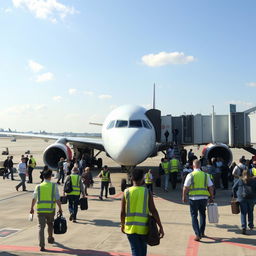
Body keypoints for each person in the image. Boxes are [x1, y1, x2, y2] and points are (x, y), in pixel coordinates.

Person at [120, 169, 164, 256]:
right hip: (144, 228)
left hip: (130, 229)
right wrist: (160, 226)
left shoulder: (126, 192)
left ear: (132, 179)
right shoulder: (147, 192)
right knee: (142, 251)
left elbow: (122, 212)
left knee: (135, 250)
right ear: (142, 179)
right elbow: (153, 211)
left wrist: (122, 225)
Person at [30, 169, 62, 251]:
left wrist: (32, 208)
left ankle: (42, 245)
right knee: (50, 224)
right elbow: (57, 198)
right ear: (50, 177)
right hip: (51, 210)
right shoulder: (54, 186)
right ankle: (50, 237)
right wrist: (60, 208)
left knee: (41, 227)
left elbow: (34, 198)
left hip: (40, 210)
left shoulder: (38, 186)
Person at [182, 159, 214, 241]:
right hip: (204, 198)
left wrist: (184, 196)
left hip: (194, 198)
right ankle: (202, 232)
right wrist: (211, 197)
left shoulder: (190, 175)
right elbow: (210, 187)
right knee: (202, 215)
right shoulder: (205, 175)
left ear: (193, 166)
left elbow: (186, 187)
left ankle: (197, 234)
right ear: (200, 166)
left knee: (194, 216)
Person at [232, 169, 256, 234]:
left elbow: (234, 188)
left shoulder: (240, 180)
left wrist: (235, 196)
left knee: (243, 213)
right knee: (250, 211)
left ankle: (243, 227)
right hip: (251, 198)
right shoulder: (253, 180)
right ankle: (250, 225)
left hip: (242, 198)